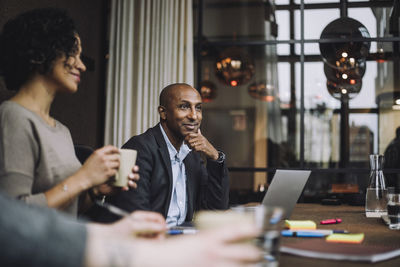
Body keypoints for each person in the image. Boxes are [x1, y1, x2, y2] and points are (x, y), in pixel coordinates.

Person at [0, 8, 139, 216]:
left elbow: (69, 213)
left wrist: (94, 190)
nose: (82, 66)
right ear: (40, 53)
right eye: (73, 53)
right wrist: (84, 178)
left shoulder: (62, 131)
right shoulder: (13, 117)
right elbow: (11, 215)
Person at [0, 191, 262, 267]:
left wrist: (105, 234)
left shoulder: (193, 155)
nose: (194, 115)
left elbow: (217, 205)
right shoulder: (143, 145)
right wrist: (140, 256)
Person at [99, 83, 229, 226]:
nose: (194, 116)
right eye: (184, 106)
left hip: (180, 239)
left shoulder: (191, 155)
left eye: (198, 108)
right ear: (163, 112)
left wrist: (215, 157)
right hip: (146, 240)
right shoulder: (140, 148)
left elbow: (215, 210)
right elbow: (136, 214)